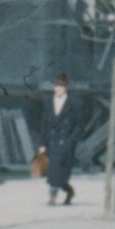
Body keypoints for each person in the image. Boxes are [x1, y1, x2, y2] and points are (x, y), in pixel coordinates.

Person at [39, 75, 83, 206]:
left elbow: (80, 124)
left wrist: (72, 139)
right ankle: (68, 190)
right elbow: (44, 123)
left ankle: (52, 196)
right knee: (55, 170)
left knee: (57, 169)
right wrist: (42, 143)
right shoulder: (48, 101)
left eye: (61, 86)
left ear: (66, 87)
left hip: (66, 141)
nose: (58, 89)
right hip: (52, 140)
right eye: (56, 86)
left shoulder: (74, 103)